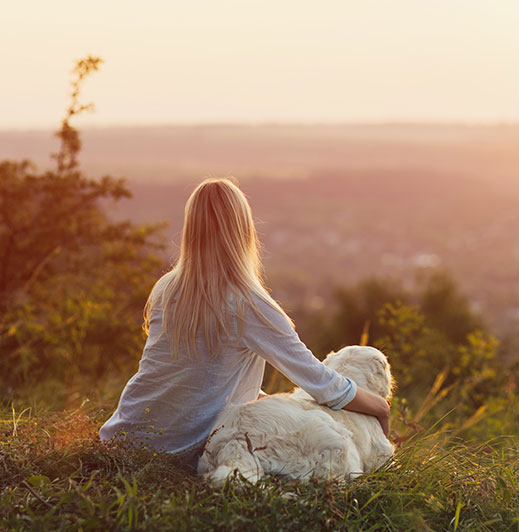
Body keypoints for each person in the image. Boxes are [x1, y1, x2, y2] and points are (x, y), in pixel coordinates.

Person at [99, 177, 390, 467]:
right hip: (176, 453)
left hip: (122, 438)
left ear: (192, 229)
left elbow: (193, 377)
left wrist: (259, 397)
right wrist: (379, 407)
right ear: (243, 230)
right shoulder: (249, 305)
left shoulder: (167, 287)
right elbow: (321, 383)